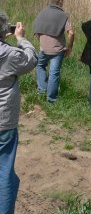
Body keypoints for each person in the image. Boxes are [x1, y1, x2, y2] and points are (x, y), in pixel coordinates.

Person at [0, 12, 37, 214]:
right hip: (4, 121)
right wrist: (21, 39)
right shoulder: (10, 54)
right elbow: (31, 60)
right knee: (5, 173)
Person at [33, 0, 74, 104]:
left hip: (43, 49)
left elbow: (36, 30)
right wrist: (69, 48)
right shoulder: (63, 15)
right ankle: (51, 100)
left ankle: (42, 91)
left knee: (40, 66)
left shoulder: (42, 13)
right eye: (63, 0)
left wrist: (42, 43)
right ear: (60, 1)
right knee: (54, 73)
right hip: (57, 50)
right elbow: (71, 33)